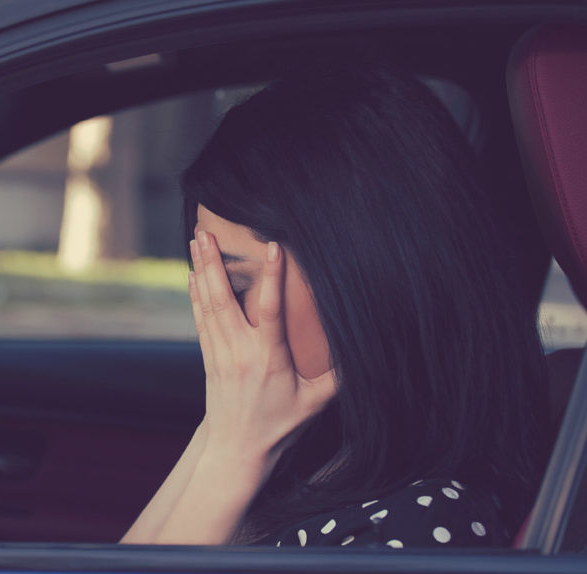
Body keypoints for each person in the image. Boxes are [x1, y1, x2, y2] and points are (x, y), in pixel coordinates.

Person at [121, 63, 549, 548]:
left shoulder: (421, 528)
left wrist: (233, 450)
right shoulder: (317, 454)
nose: (217, 323)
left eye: (235, 286)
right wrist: (221, 433)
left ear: (360, 275)